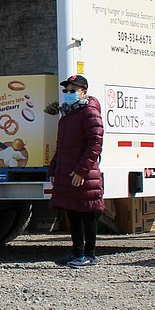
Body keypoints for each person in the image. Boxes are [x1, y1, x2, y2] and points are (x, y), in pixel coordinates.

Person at [48, 75, 105, 268]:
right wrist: (54, 167)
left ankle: (89, 254)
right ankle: (76, 252)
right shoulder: (67, 115)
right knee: (72, 211)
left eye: (73, 91)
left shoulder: (89, 112)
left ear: (83, 92)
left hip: (84, 174)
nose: (69, 94)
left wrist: (82, 170)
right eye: (66, 91)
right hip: (68, 172)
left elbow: (95, 142)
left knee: (87, 213)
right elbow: (61, 146)